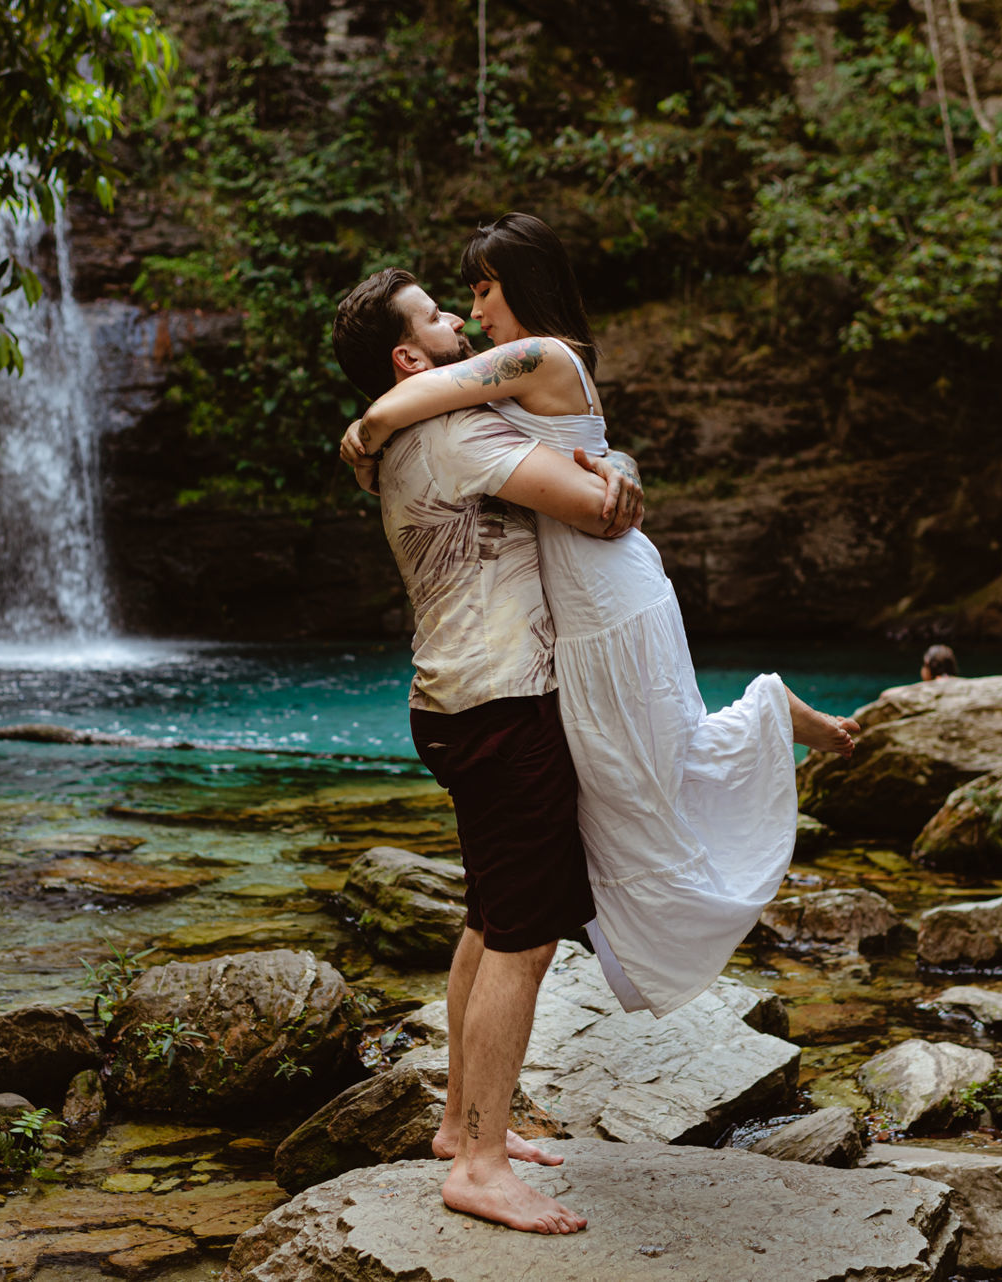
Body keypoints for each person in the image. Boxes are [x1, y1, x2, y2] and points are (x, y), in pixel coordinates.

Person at [339, 212, 857, 1023]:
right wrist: (619, 461)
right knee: (629, 771)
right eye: (458, 301)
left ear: (526, 285)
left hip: (605, 588)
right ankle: (761, 715)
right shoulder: (513, 380)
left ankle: (764, 713)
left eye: (481, 290)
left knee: (641, 765)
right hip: (571, 600)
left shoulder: (539, 355)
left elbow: (437, 396)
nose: (471, 314)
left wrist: (368, 423)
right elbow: (575, 441)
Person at [332, 265, 642, 1236]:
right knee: (525, 934)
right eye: (437, 314)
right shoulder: (459, 429)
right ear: (408, 356)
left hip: (450, 699)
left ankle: (460, 1124)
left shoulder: (399, 441)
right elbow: (599, 512)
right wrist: (616, 473)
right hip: (503, 702)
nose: (462, 318)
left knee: (487, 913)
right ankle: (478, 1161)